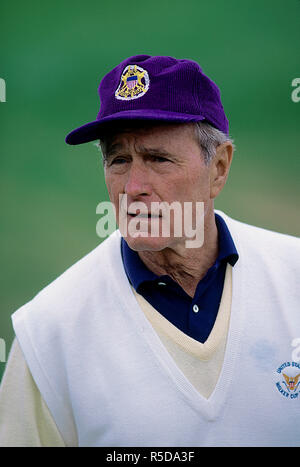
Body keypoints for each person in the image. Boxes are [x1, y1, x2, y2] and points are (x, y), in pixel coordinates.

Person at [0, 55, 299, 448]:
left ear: (219, 168)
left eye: (158, 159)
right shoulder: (49, 330)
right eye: (119, 160)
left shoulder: (293, 277)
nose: (133, 187)